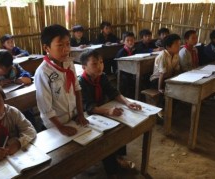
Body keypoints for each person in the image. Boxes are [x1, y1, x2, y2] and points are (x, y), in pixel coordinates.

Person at [78, 49, 141, 178]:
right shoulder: (81, 82)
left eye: (101, 62)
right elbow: (88, 106)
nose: (100, 66)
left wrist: (127, 103)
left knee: (122, 125)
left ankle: (119, 157)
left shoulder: (102, 77)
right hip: (87, 116)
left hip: (103, 110)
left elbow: (113, 92)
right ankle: (112, 171)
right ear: (84, 67)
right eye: (94, 64)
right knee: (107, 138)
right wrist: (108, 111)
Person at [35, 24, 88, 136]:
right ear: (46, 48)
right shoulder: (43, 72)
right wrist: (61, 127)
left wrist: (80, 114)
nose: (66, 50)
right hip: (55, 126)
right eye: (60, 45)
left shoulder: (69, 63)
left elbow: (77, 90)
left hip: (73, 118)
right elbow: (45, 108)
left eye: (68, 44)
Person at [115, 32, 136, 97]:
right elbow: (118, 66)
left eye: (132, 40)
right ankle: (126, 96)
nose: (130, 42)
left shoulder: (134, 50)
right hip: (121, 71)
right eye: (127, 40)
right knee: (126, 79)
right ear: (123, 42)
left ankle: (134, 94)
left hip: (131, 69)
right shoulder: (121, 52)